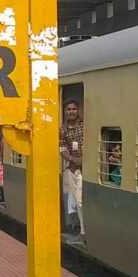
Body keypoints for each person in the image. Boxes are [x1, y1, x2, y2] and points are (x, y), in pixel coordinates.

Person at [60, 101, 84, 235]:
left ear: (78, 110)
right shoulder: (62, 130)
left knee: (79, 200)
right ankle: (80, 230)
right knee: (77, 201)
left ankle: (82, 230)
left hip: (87, 167)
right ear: (65, 111)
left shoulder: (84, 126)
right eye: (69, 109)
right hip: (74, 169)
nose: (71, 111)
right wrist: (74, 160)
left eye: (74, 109)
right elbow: (62, 149)